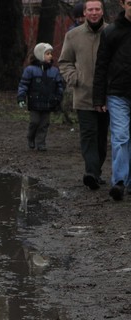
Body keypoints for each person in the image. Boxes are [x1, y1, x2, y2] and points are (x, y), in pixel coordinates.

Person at [59, 0, 108, 190]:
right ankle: (91, 173)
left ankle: (96, 172)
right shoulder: (73, 36)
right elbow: (64, 62)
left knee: (102, 138)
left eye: (97, 9)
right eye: (90, 10)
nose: (94, 13)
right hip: (83, 95)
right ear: (84, 13)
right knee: (88, 135)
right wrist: (74, 78)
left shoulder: (112, 33)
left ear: (102, 11)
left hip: (107, 96)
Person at [93, 0, 131, 201]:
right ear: (123, 4)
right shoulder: (111, 32)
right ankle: (119, 182)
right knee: (121, 136)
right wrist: (99, 97)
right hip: (117, 93)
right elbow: (101, 66)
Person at [17, 43, 64, 152]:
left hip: (49, 102)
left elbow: (59, 85)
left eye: (51, 54)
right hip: (35, 102)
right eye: (47, 53)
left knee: (44, 124)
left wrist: (58, 97)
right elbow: (23, 84)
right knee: (34, 122)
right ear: (40, 55)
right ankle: (31, 137)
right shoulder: (30, 70)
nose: (50, 56)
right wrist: (21, 97)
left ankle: (41, 143)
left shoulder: (54, 71)